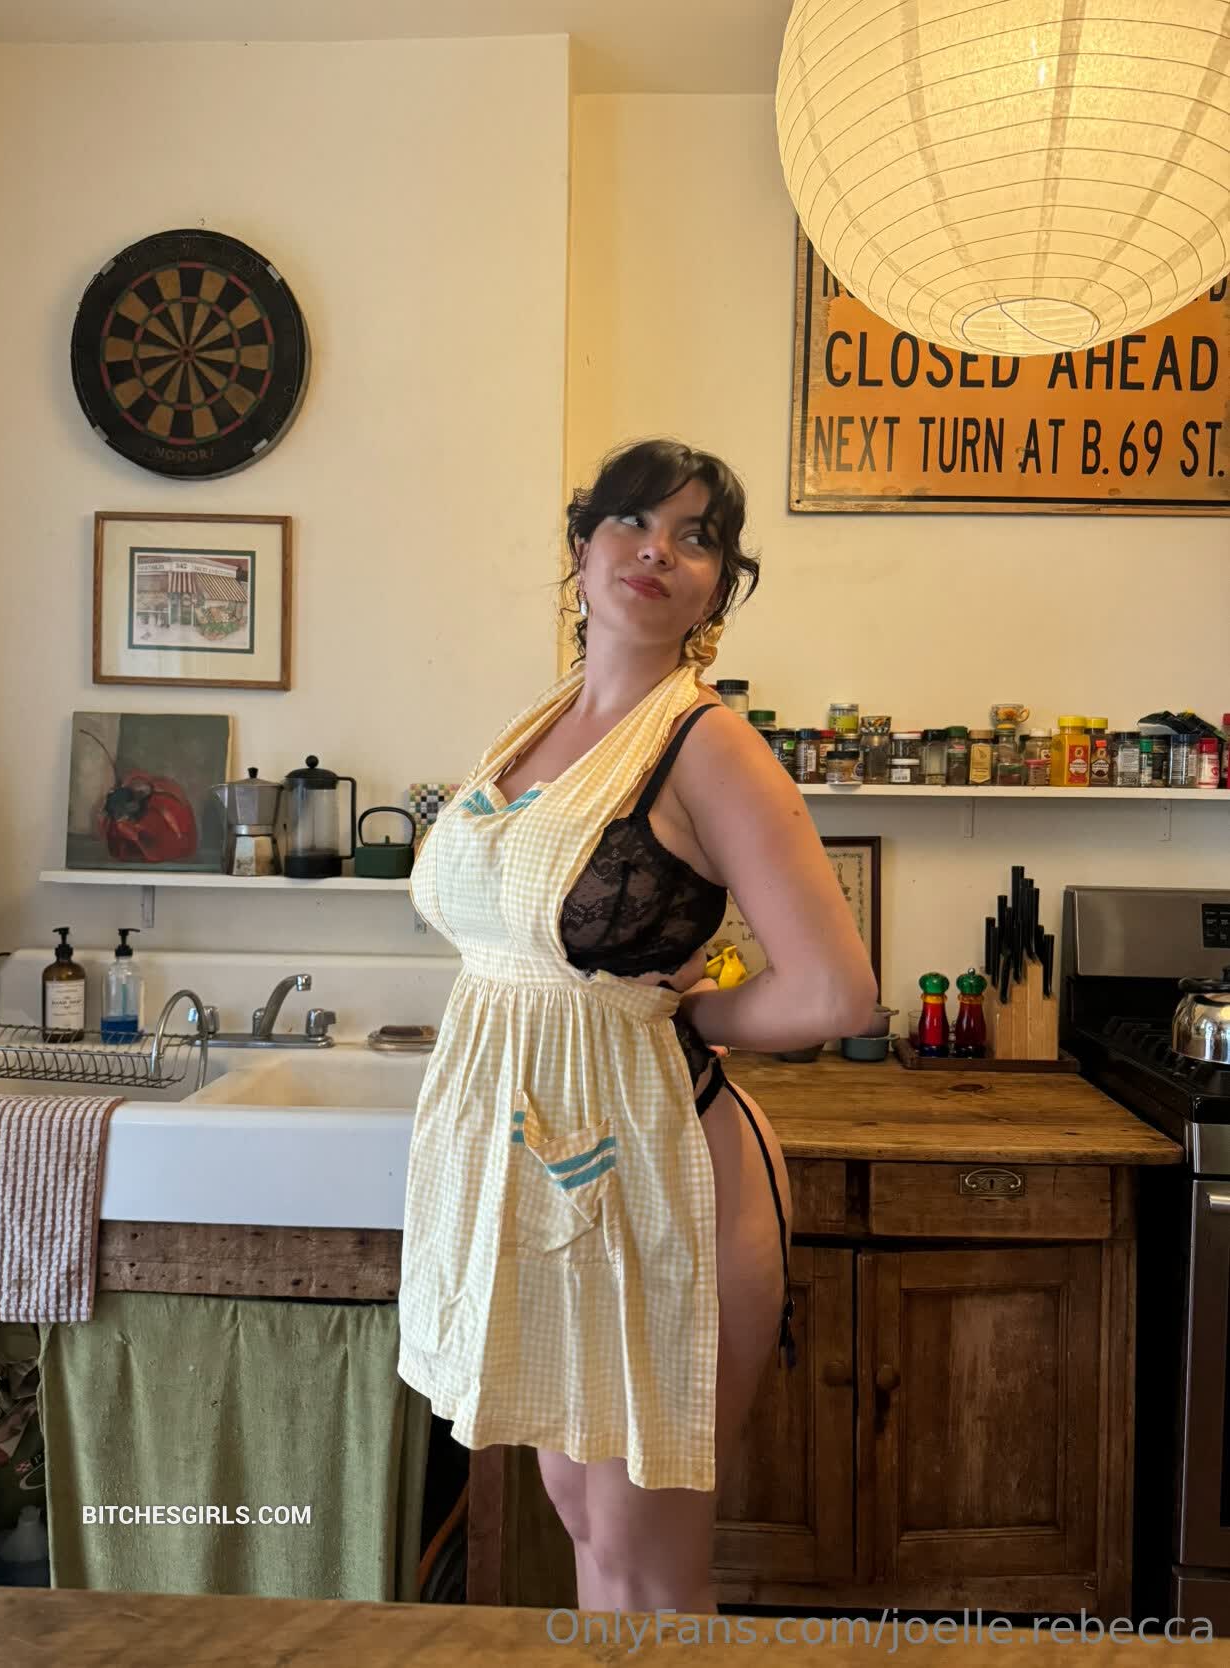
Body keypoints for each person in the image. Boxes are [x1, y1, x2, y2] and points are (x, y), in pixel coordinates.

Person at [397, 438, 878, 1614]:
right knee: (581, 1513)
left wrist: (690, 1010)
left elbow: (836, 993)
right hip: (544, 1170)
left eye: (697, 537)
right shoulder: (540, 728)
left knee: (643, 1563)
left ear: (718, 590)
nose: (660, 550)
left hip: (659, 1170)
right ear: (580, 550)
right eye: (633, 521)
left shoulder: (708, 745)